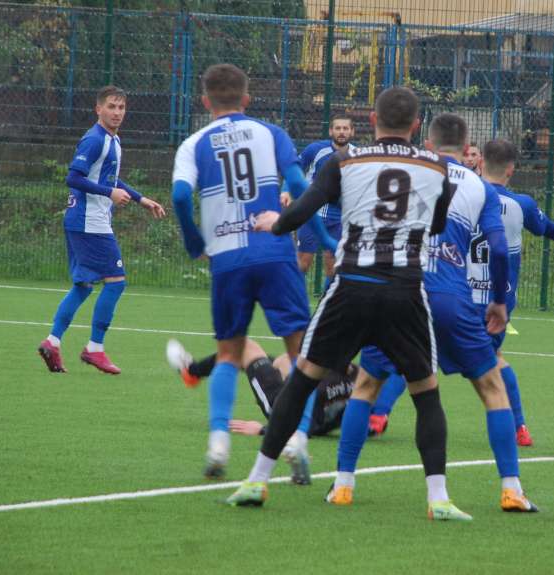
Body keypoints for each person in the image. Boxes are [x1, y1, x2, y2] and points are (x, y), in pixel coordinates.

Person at [225, 87, 472, 521]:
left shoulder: (345, 160)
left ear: (372, 119)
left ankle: (257, 481)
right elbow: (434, 224)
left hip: (352, 285)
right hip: (405, 291)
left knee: (302, 379)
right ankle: (439, 498)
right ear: (416, 125)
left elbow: (307, 207)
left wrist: (275, 223)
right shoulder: (437, 167)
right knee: (426, 394)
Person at [336, 114, 538, 514]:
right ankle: (511, 490)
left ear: (427, 143)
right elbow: (498, 251)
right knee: (491, 388)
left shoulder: (411, 169)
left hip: (403, 289)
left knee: (367, 384)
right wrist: (498, 300)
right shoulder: (481, 187)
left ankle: (343, 485)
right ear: (468, 151)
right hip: (451, 297)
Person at [171, 63, 336, 480]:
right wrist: (323, 237)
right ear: (247, 99)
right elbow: (301, 187)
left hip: (228, 258)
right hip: (276, 250)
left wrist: (194, 239)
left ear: (205, 101)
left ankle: (218, 443)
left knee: (229, 353)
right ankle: (297, 439)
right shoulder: (271, 133)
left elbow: (177, 194)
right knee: (301, 354)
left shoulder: (194, 143)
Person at [470, 138, 554, 446]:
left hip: (458, 293)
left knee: (420, 354)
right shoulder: (522, 205)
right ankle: (518, 426)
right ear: (512, 170)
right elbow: (548, 228)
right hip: (498, 299)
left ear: (480, 161)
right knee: (494, 359)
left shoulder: (462, 196)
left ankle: (378, 413)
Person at [37, 86, 166, 375]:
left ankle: (52, 342)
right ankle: (95, 348)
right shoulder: (95, 140)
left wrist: (140, 199)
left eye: (121, 107)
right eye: (111, 107)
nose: (117, 113)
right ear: (98, 109)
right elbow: (74, 177)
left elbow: (111, 179)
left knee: (83, 287)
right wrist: (108, 193)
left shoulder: (112, 140)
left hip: (81, 222)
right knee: (116, 282)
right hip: (89, 223)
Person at [165, 338, 404, 440]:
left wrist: (264, 430)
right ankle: (194, 371)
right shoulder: (357, 376)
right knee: (281, 361)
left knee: (245, 347)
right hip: (306, 405)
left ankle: (191, 372)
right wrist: (376, 420)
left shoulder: (343, 372)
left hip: (284, 407)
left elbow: (310, 423)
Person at [286, 116, 356, 284]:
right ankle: (294, 301)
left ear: (352, 132)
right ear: (331, 131)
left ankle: (325, 306)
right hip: (312, 213)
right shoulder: (315, 150)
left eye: (345, 128)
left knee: (332, 265)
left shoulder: (357, 155)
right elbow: (294, 169)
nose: (341, 132)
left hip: (338, 216)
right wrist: (287, 192)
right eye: (338, 128)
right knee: (303, 261)